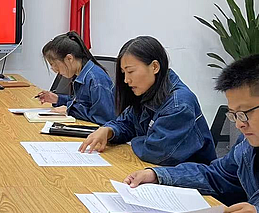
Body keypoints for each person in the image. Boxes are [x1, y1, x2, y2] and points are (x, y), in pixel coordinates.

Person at [123, 54, 259, 213]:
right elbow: (215, 175)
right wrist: (157, 175)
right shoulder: (246, 146)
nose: (239, 124)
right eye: (234, 115)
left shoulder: (179, 101)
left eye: (244, 113)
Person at [79, 36, 216, 165]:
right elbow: (127, 123)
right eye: (123, 73)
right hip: (156, 170)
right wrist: (109, 130)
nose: (126, 80)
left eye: (130, 71)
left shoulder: (179, 104)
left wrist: (132, 141)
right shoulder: (147, 91)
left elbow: (156, 151)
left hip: (186, 178)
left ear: (155, 67)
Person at [35, 31, 115, 125]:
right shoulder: (81, 74)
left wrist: (70, 110)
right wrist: (57, 99)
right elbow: (83, 103)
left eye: (53, 64)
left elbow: (103, 117)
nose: (53, 69)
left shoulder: (96, 79)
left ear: (69, 58)